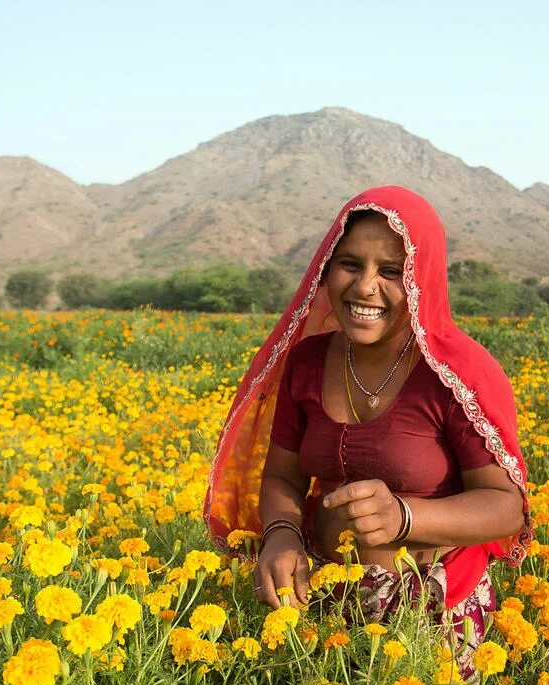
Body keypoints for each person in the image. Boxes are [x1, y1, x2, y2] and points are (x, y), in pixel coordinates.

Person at [203, 186, 531, 652]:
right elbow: (283, 478)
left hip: (429, 620)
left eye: (392, 272)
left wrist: (405, 517)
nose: (364, 287)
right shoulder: (308, 361)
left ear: (423, 280)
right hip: (315, 604)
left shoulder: (461, 373)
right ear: (326, 269)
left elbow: (505, 506)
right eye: (351, 264)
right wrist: (280, 536)